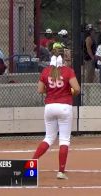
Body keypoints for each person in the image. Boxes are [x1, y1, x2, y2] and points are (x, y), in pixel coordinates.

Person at [32, 46, 80, 180]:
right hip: (64, 106)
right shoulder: (67, 71)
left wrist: (51, 92)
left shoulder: (46, 71)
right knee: (64, 139)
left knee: (49, 138)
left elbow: (40, 90)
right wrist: (69, 92)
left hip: (49, 106)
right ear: (63, 58)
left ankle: (31, 163)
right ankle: (61, 171)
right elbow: (76, 89)